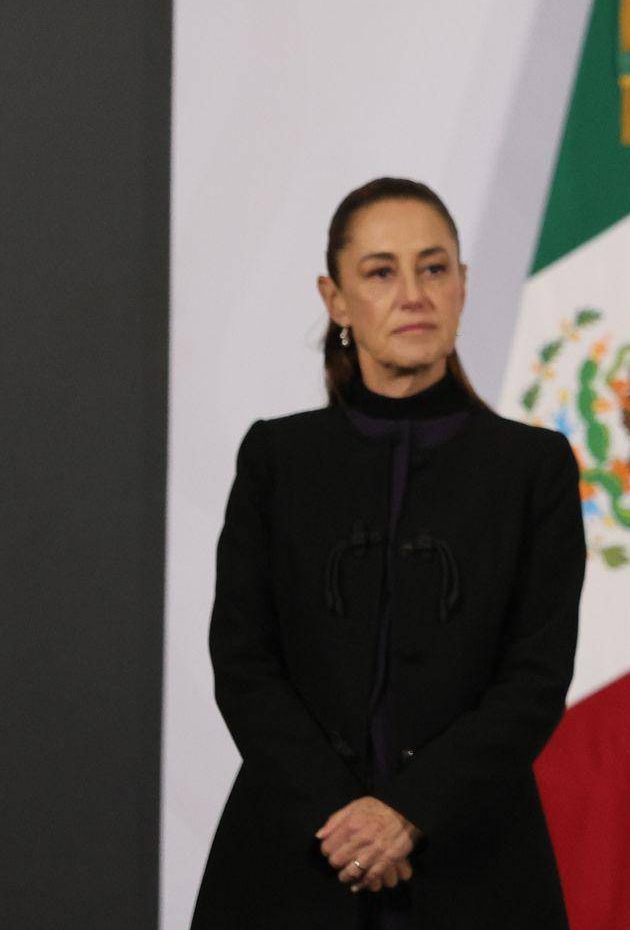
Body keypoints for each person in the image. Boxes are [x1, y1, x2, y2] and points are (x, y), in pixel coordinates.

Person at [193, 178, 585, 928]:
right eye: (381, 272)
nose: (413, 294)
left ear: (464, 286)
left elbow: (534, 680)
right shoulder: (277, 458)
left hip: (476, 865)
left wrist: (408, 813)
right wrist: (344, 819)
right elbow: (243, 663)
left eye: (434, 268)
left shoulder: (533, 467)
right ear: (335, 299)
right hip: (291, 856)